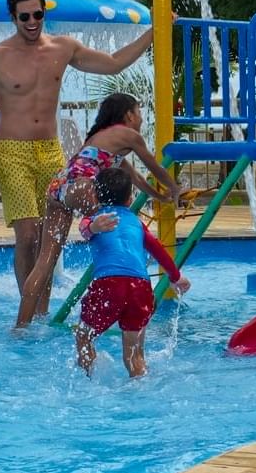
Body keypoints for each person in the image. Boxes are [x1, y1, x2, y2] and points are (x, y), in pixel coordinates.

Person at [0, 0, 161, 317]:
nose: (31, 20)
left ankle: (38, 313)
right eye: (23, 16)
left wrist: (153, 33)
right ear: (13, 17)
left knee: (49, 236)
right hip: (12, 152)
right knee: (26, 235)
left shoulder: (62, 48)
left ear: (44, 13)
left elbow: (113, 63)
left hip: (50, 152)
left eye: (37, 14)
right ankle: (28, 307)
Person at [12, 92, 180, 329]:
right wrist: (175, 189)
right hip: (82, 186)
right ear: (129, 115)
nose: (142, 119)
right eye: (139, 113)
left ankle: (21, 327)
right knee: (116, 232)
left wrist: (161, 196)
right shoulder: (129, 135)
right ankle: (119, 291)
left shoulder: (103, 140)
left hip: (59, 188)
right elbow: (155, 166)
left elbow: (140, 180)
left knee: (45, 261)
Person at [74, 165, 191, 378]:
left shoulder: (95, 219)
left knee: (83, 335)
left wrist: (93, 228)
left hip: (109, 285)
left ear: (95, 195)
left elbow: (84, 230)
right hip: (142, 288)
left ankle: (87, 381)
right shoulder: (137, 222)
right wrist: (176, 277)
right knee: (134, 354)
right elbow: (158, 250)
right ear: (130, 199)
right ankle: (140, 385)